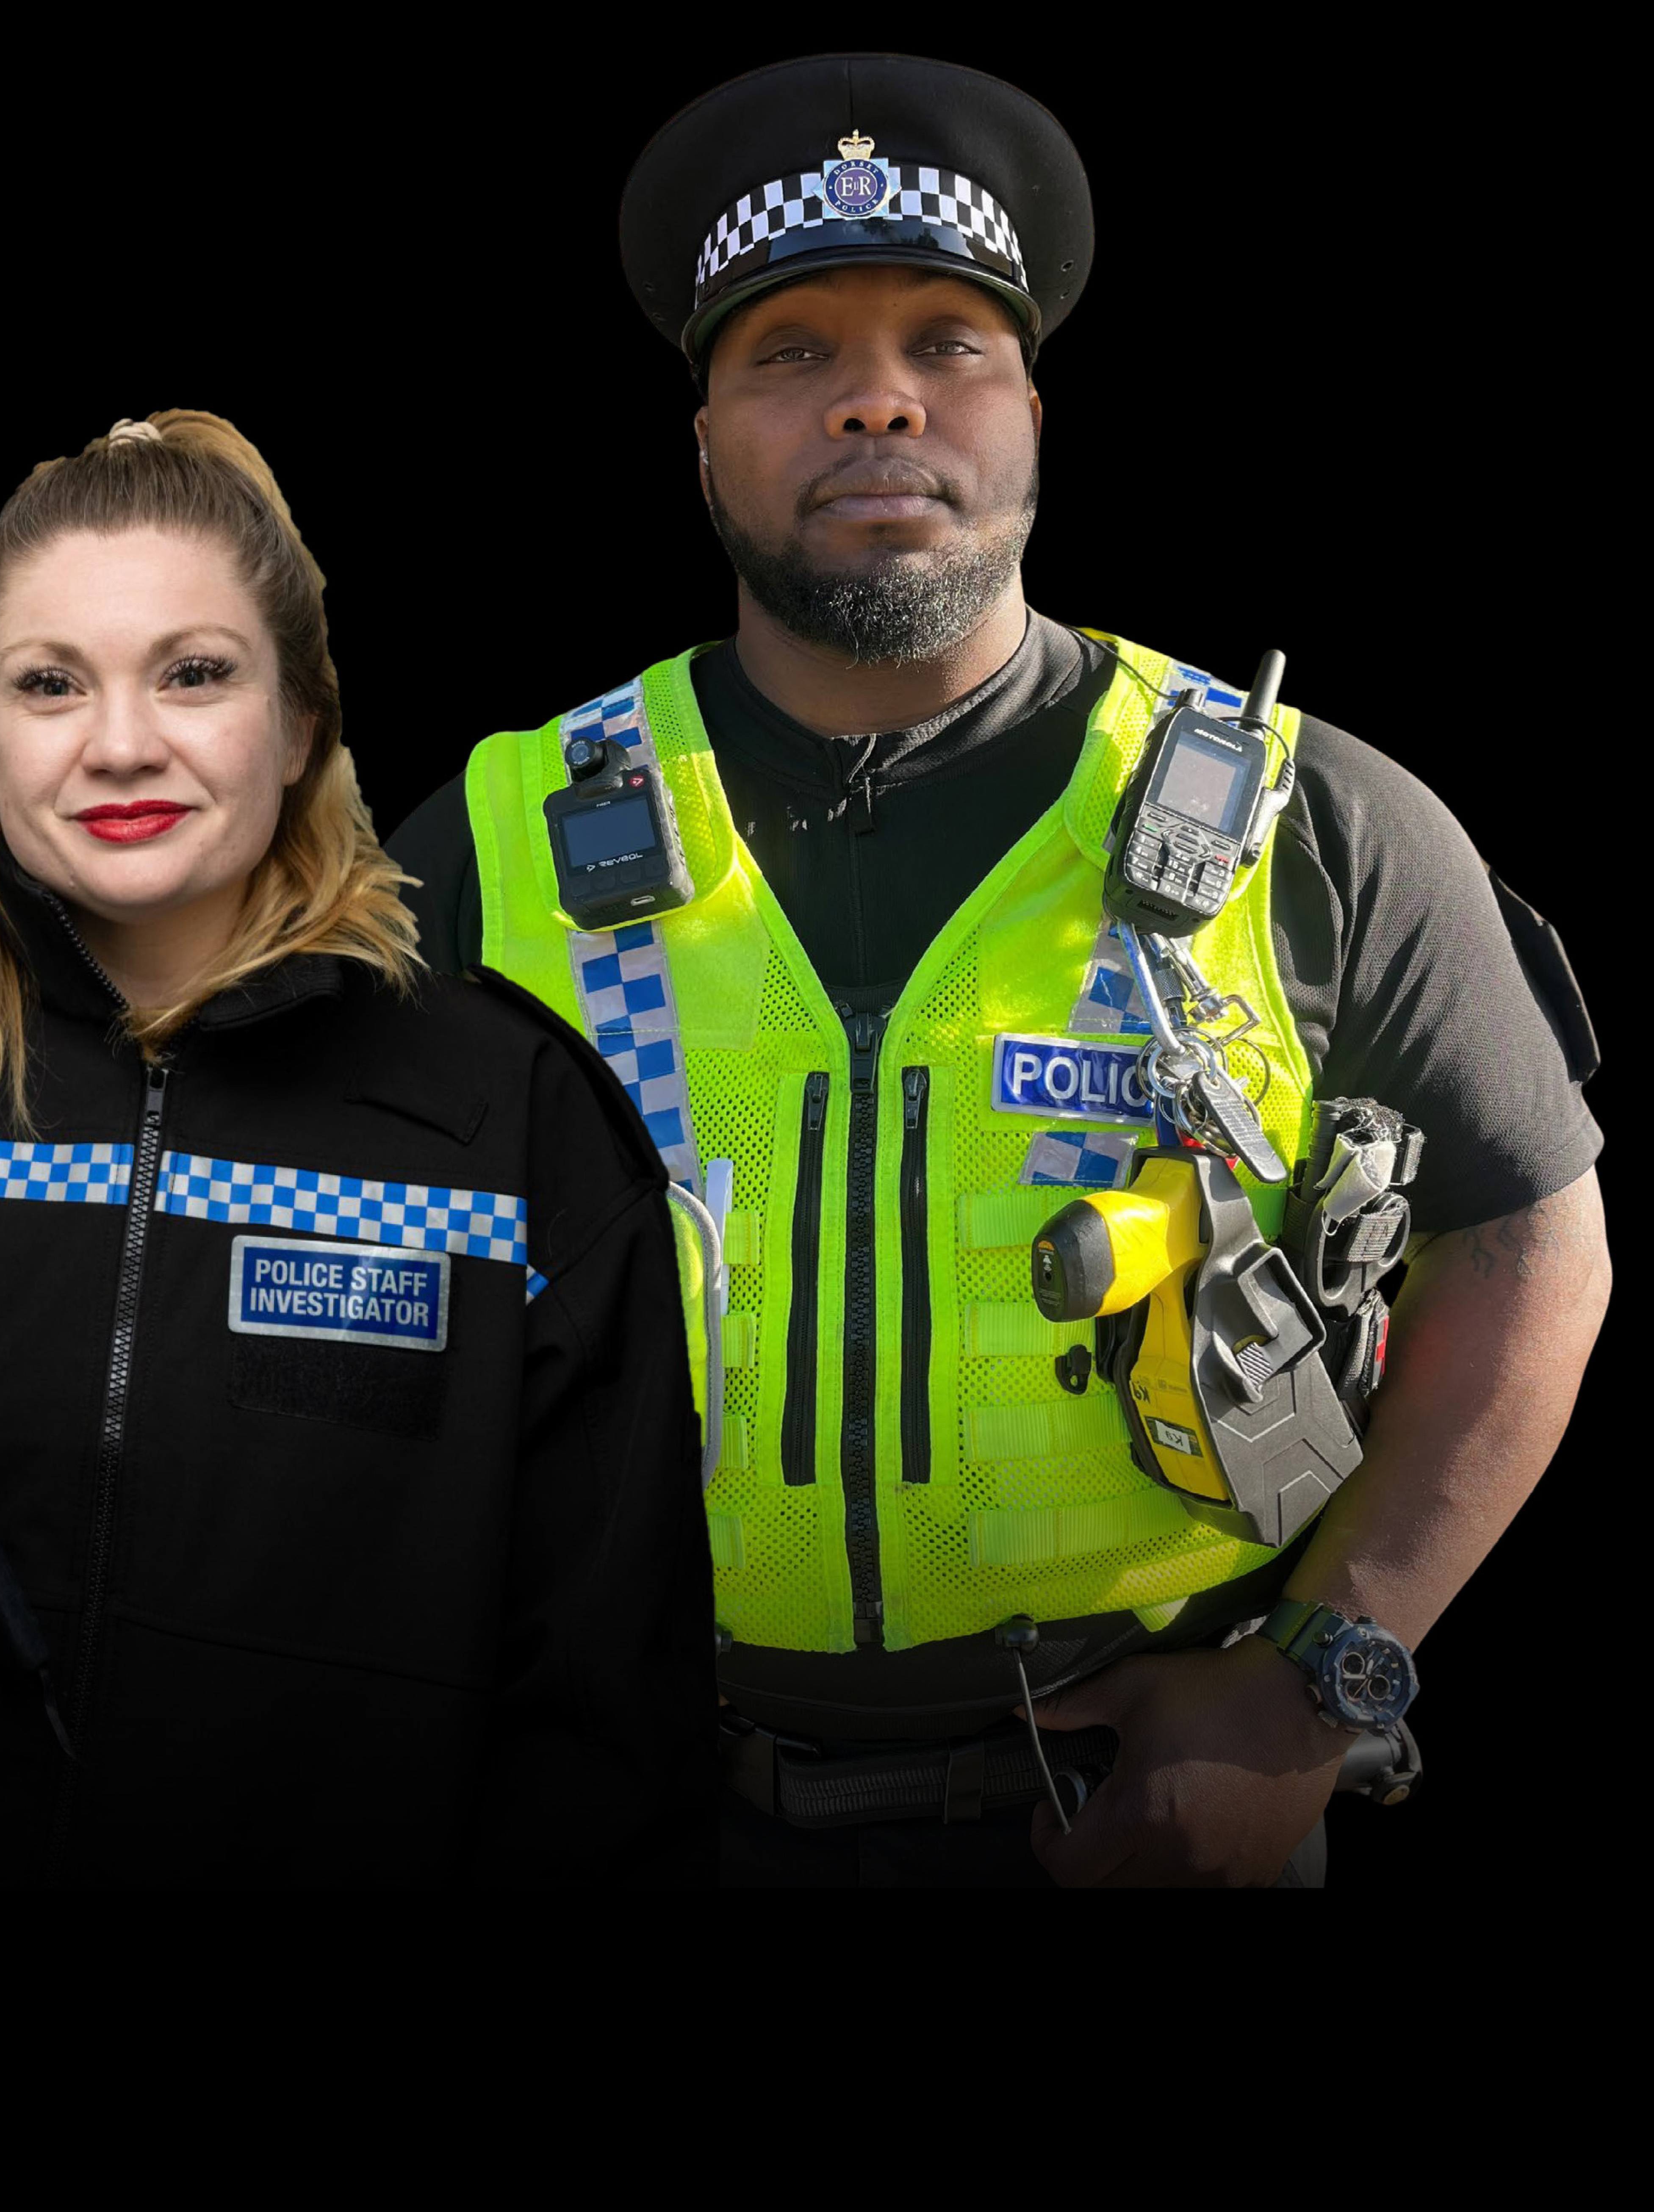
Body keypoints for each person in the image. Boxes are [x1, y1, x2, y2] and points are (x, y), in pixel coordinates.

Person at [383, 54, 1612, 1885]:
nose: (878, 404)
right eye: (790, 355)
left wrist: (1313, 1688)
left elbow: (1528, 1251)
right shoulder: (483, 851)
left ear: (1030, 413)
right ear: (701, 440)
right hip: (620, 1798)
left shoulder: (1310, 820)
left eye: (944, 346)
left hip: (1144, 1825)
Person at [0, 413, 715, 1882]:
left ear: (300, 721)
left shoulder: (507, 1115)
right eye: (49, 685)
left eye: (193, 674)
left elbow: (615, 1708)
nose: (119, 744)